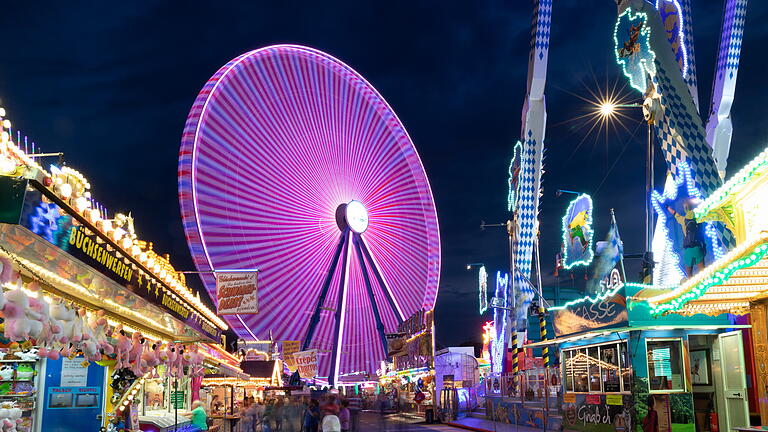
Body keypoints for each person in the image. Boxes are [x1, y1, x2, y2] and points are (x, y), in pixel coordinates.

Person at [666, 201, 706, 276]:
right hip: (698, 247)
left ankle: (692, 285)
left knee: (689, 275)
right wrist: (704, 247)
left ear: (685, 210)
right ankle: (706, 284)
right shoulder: (698, 219)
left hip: (688, 250)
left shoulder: (683, 220)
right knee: (703, 272)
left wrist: (667, 207)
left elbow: (674, 213)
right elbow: (701, 234)